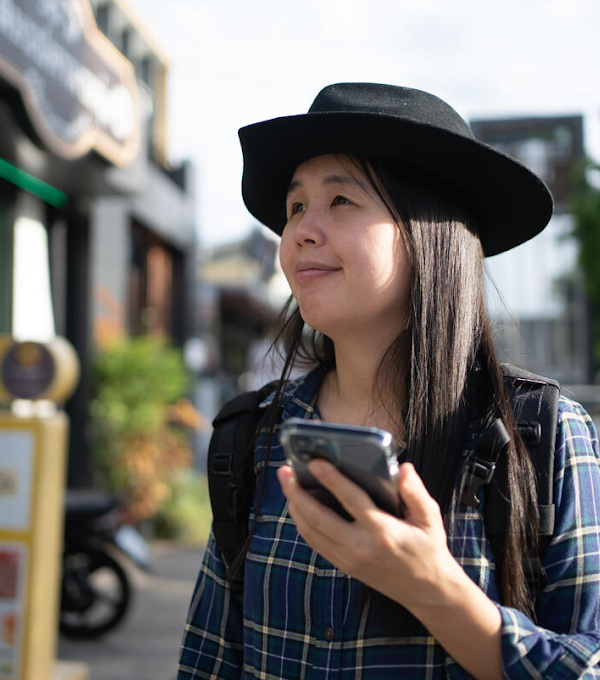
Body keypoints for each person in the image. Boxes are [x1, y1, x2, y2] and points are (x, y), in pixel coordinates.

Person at [177, 83, 600, 679]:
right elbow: (206, 665)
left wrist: (433, 588)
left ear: (433, 231)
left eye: (341, 201)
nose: (301, 230)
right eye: (296, 207)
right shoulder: (253, 439)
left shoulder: (542, 436)